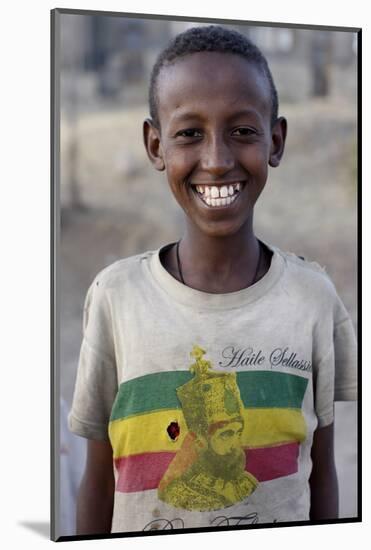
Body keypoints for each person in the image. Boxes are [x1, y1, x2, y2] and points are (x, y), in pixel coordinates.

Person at [68, 25, 357, 535]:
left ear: (276, 139)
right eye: (189, 133)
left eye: (243, 131)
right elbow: (98, 479)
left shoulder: (313, 299)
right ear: (156, 146)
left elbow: (322, 474)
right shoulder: (116, 298)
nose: (218, 160)